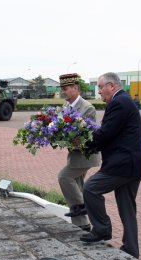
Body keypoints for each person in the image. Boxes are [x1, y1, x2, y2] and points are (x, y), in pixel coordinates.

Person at [80, 72, 141, 259]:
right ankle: (131, 251)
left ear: (111, 86)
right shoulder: (124, 101)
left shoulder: (118, 103)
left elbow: (106, 133)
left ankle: (102, 229)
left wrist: (83, 143)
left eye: (101, 87)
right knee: (127, 209)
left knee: (90, 188)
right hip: (133, 164)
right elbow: (110, 132)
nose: (100, 91)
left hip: (124, 164)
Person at [58, 73, 101, 232]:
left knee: (64, 177)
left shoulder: (87, 108)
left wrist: (67, 137)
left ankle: (85, 206)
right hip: (74, 155)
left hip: (86, 155)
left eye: (66, 89)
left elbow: (86, 136)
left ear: (75, 88)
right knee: (77, 184)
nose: (64, 92)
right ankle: (82, 225)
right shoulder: (65, 106)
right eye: (62, 89)